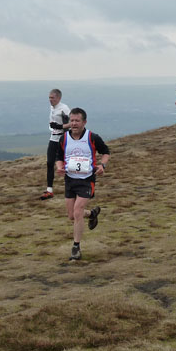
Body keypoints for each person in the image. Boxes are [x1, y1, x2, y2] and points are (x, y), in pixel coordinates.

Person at [55, 107, 111, 261]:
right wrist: (59, 167)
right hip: (70, 180)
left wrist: (102, 166)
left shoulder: (92, 137)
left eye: (77, 121)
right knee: (72, 215)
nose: (73, 123)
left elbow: (106, 152)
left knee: (78, 211)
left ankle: (76, 247)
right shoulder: (64, 139)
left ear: (84, 122)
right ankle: (92, 214)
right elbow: (59, 157)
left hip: (87, 180)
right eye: (71, 120)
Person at [41, 88, 70, 200]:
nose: (50, 100)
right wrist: (52, 126)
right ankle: (49, 190)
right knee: (49, 163)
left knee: (66, 163)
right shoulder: (52, 107)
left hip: (63, 139)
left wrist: (60, 127)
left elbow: (72, 122)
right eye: (49, 97)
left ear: (58, 98)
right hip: (53, 138)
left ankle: (71, 187)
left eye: (52, 97)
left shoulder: (64, 108)